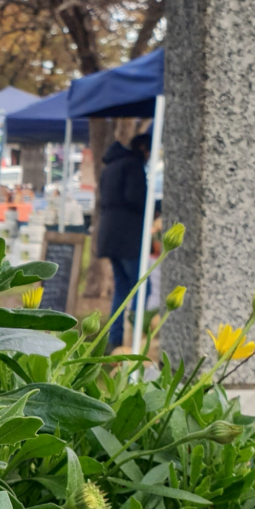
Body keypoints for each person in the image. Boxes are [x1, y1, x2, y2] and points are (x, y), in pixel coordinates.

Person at [97, 133, 151, 349]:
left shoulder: (111, 166)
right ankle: (135, 334)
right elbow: (135, 198)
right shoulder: (133, 165)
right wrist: (154, 206)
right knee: (141, 285)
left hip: (109, 235)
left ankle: (115, 337)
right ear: (141, 148)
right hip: (128, 236)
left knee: (121, 286)